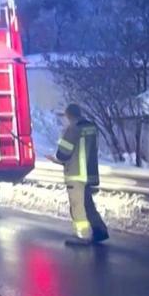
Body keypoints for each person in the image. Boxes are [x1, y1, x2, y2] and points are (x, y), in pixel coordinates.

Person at [46, 103, 109, 246]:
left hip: (75, 174)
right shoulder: (91, 127)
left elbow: (63, 154)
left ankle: (82, 235)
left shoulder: (73, 129)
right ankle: (100, 230)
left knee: (77, 206)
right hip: (89, 172)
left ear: (68, 115)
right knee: (88, 204)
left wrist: (56, 158)